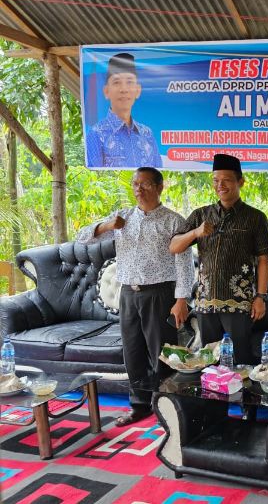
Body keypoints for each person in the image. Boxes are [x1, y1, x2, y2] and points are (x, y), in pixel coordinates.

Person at [76, 167, 194, 426]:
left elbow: (184, 263)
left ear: (160, 187)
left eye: (145, 184)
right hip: (128, 294)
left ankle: (168, 407)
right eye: (135, 184)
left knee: (163, 354)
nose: (139, 189)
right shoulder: (123, 217)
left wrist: (182, 299)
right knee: (133, 353)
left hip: (160, 294)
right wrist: (108, 225)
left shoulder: (174, 221)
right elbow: (82, 238)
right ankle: (140, 405)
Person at [170, 154, 268, 364]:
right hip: (205, 303)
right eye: (216, 180)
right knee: (210, 361)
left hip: (239, 303)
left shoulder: (255, 217)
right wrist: (195, 232)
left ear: (240, 182)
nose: (220, 185)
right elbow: (174, 247)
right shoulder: (201, 215)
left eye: (226, 180)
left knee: (240, 360)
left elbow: (263, 259)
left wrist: (261, 297)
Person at [86, 52, 161, 168]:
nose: (124, 89)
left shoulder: (147, 134)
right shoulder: (96, 134)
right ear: (106, 91)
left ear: (138, 90)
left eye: (129, 82)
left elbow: (158, 171)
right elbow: (94, 174)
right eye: (116, 82)